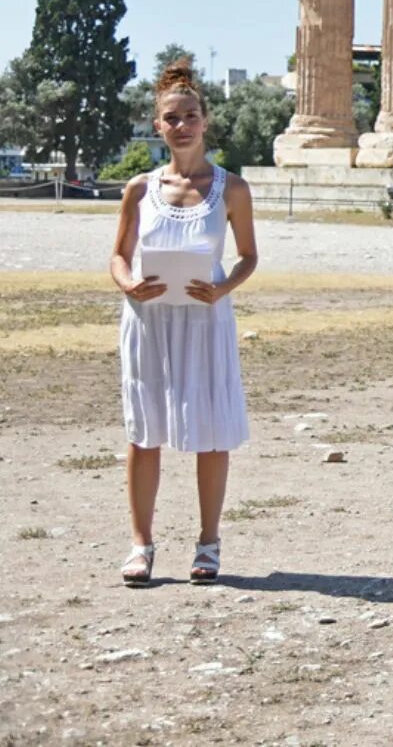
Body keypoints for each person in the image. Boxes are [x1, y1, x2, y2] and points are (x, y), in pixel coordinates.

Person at [109, 60, 257, 585]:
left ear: (205, 120)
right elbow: (119, 257)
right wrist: (128, 284)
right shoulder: (139, 188)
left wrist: (222, 287)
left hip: (205, 320)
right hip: (148, 321)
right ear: (158, 126)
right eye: (172, 118)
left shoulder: (232, 188)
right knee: (144, 432)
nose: (182, 125)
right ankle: (141, 545)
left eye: (190, 115)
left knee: (210, 430)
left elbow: (248, 258)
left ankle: (208, 544)